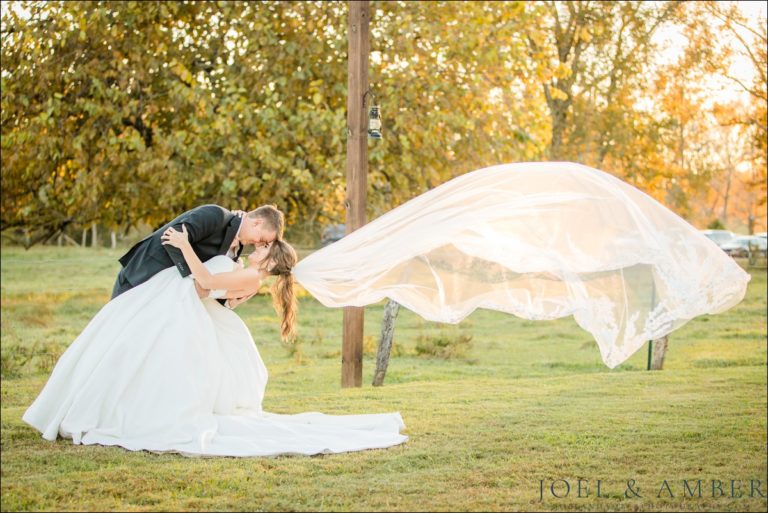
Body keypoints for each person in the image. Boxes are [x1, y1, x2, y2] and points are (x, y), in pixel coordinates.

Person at [22, 229, 408, 457]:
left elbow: (205, 282)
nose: (259, 246)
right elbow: (220, 289)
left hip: (188, 311)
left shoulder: (252, 278)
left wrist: (185, 243)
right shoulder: (245, 270)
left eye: (265, 246)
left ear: (271, 260)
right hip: (181, 309)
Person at [111, 204, 284, 300]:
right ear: (256, 223)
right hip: (142, 275)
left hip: (164, 295)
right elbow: (172, 238)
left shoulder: (237, 247)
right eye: (261, 239)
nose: (257, 244)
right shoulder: (215, 215)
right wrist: (191, 283)